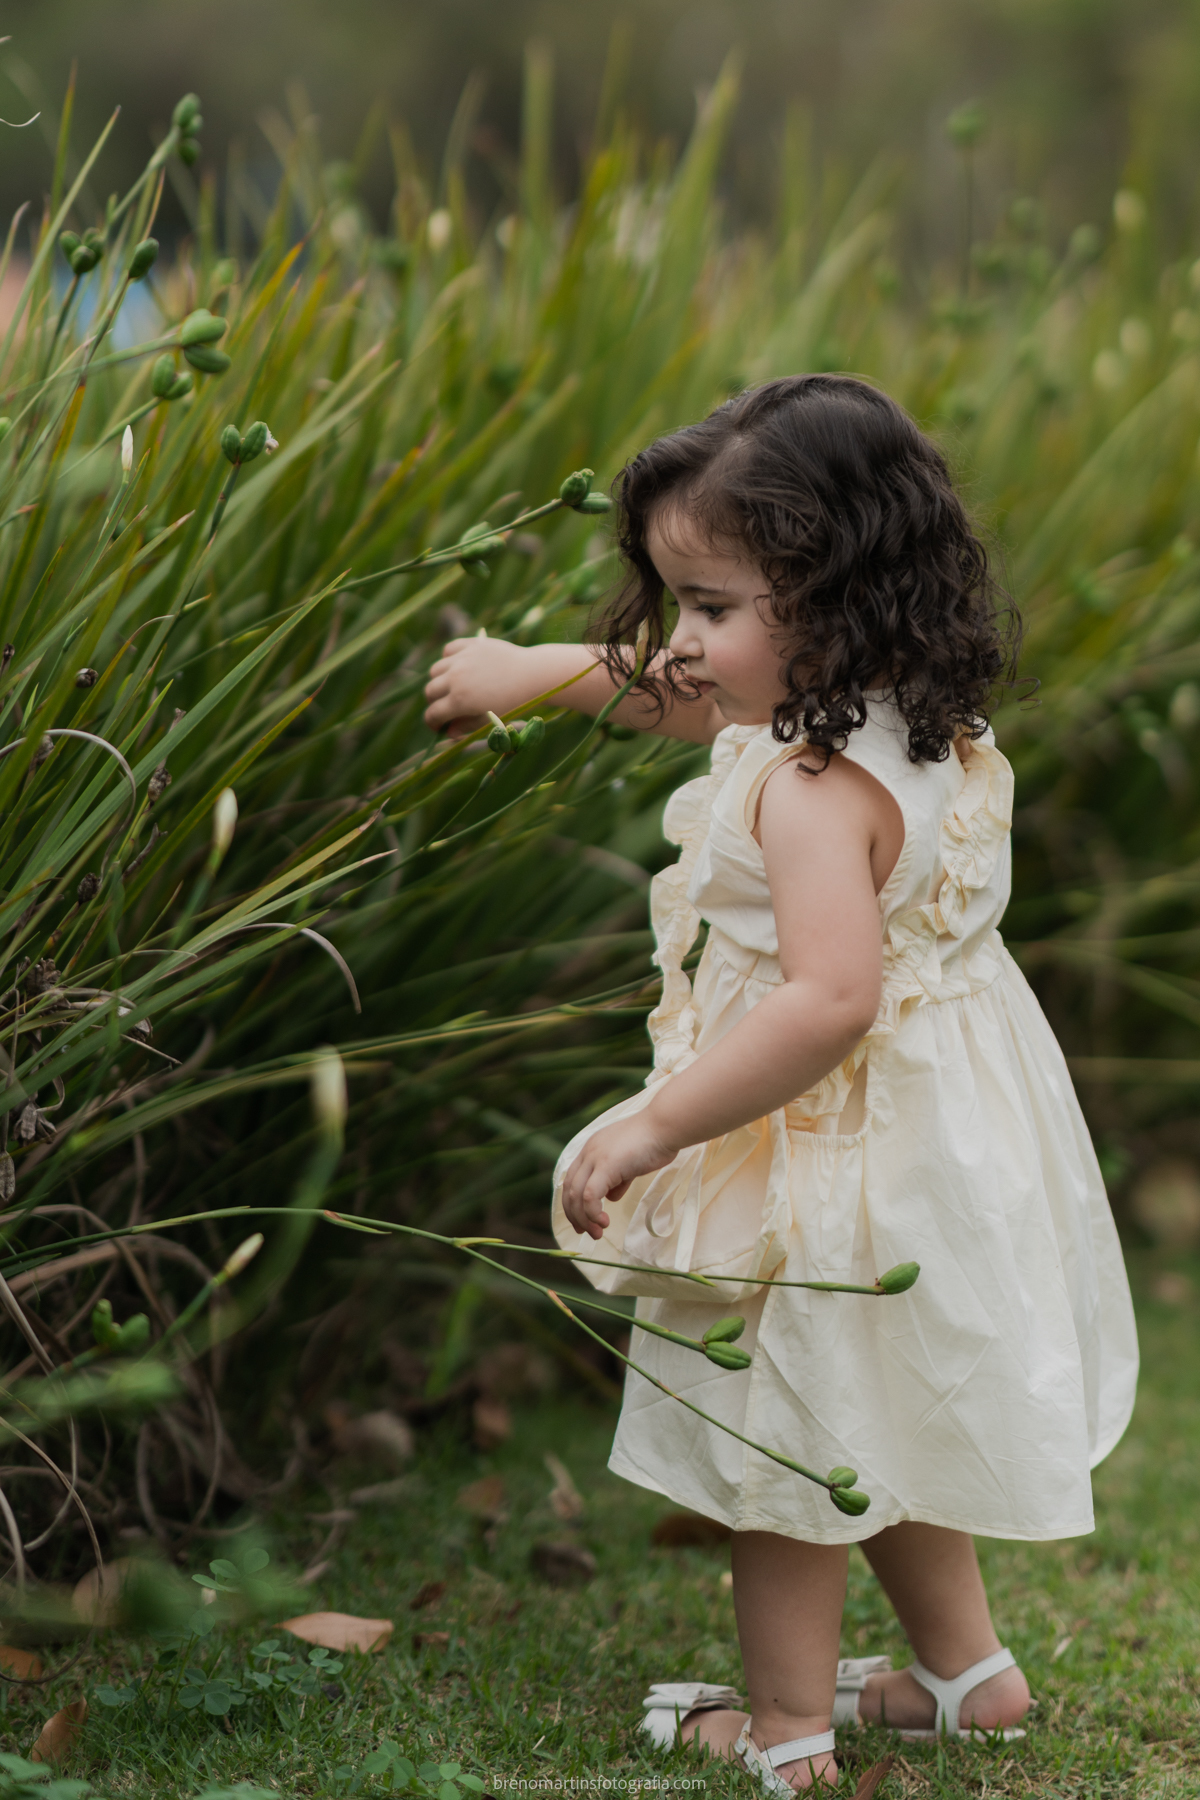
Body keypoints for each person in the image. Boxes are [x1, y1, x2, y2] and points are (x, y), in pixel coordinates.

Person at [423, 374, 1139, 1792]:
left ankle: (787, 1733)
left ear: (830, 594)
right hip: (937, 1140)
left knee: (786, 1434)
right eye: (674, 602)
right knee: (875, 1406)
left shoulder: (811, 790)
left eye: (709, 606)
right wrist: (523, 671)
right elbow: (680, 700)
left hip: (822, 1148)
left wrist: (654, 1122)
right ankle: (967, 1677)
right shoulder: (908, 718)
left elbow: (828, 999)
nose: (681, 642)